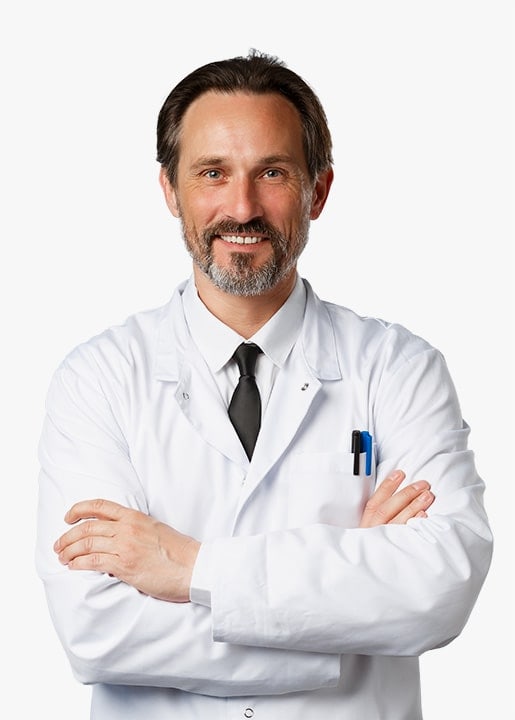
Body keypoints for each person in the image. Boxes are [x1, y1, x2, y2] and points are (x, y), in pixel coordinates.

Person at [36, 49, 493, 720]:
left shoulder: (399, 368)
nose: (242, 207)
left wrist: (188, 568)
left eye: (272, 173)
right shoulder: (98, 378)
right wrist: (348, 620)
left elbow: (441, 587)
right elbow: (95, 632)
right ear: (170, 190)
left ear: (318, 191)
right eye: (212, 173)